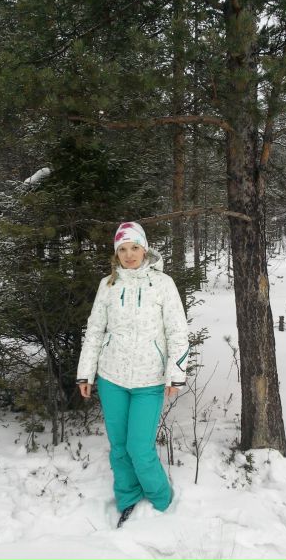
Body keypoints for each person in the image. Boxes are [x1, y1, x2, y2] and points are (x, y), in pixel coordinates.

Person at [76, 221, 190, 528]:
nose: (129, 255)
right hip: (111, 378)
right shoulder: (108, 285)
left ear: (145, 249)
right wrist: (85, 373)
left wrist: (176, 374)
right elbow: (95, 331)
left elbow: (178, 332)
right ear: (116, 253)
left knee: (140, 448)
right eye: (123, 249)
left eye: (135, 248)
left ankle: (161, 501)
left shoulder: (163, 284)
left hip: (149, 381)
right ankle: (127, 499)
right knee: (119, 448)